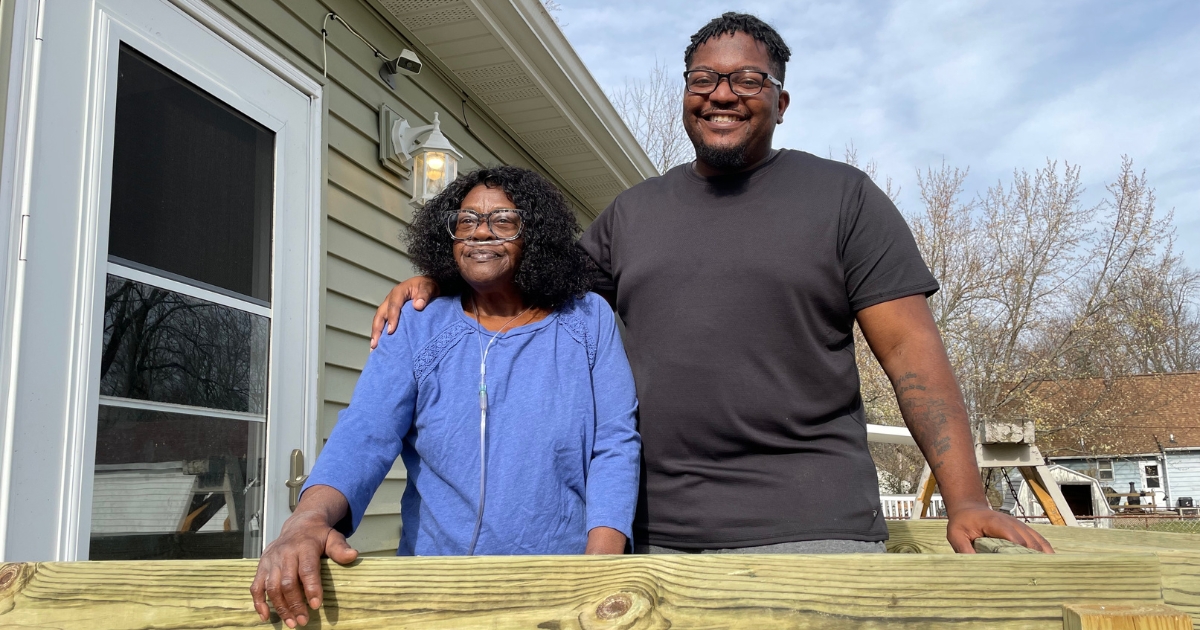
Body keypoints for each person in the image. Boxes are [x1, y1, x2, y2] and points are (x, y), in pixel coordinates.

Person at [372, 13, 1053, 556]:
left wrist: (965, 499)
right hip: (656, 532)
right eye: (703, 80)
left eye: (747, 80)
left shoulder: (843, 199)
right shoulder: (634, 213)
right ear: (686, 96)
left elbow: (911, 358)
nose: (722, 94)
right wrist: (437, 282)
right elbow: (530, 289)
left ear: (781, 102)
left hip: (811, 531)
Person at [252, 166, 640, 627]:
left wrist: (597, 574)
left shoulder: (587, 319)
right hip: (436, 594)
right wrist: (306, 520)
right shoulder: (417, 323)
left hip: (558, 589)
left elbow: (614, 444)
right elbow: (366, 433)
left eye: (503, 220)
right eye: (466, 221)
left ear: (533, 235)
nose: (480, 233)